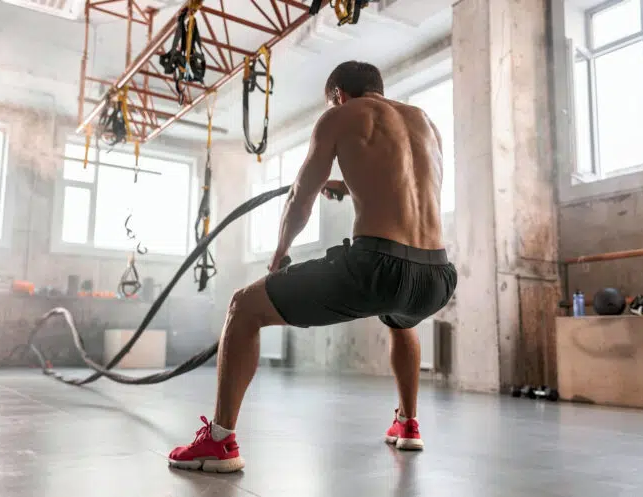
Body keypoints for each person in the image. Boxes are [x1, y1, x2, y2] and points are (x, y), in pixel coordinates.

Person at [168, 61, 457, 473]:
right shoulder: (424, 122)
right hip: (437, 277)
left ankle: (218, 442)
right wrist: (342, 184)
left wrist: (279, 252)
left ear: (338, 94)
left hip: (376, 267)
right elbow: (407, 189)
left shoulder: (339, 116)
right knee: (401, 319)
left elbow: (298, 201)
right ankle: (409, 424)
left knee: (243, 307)